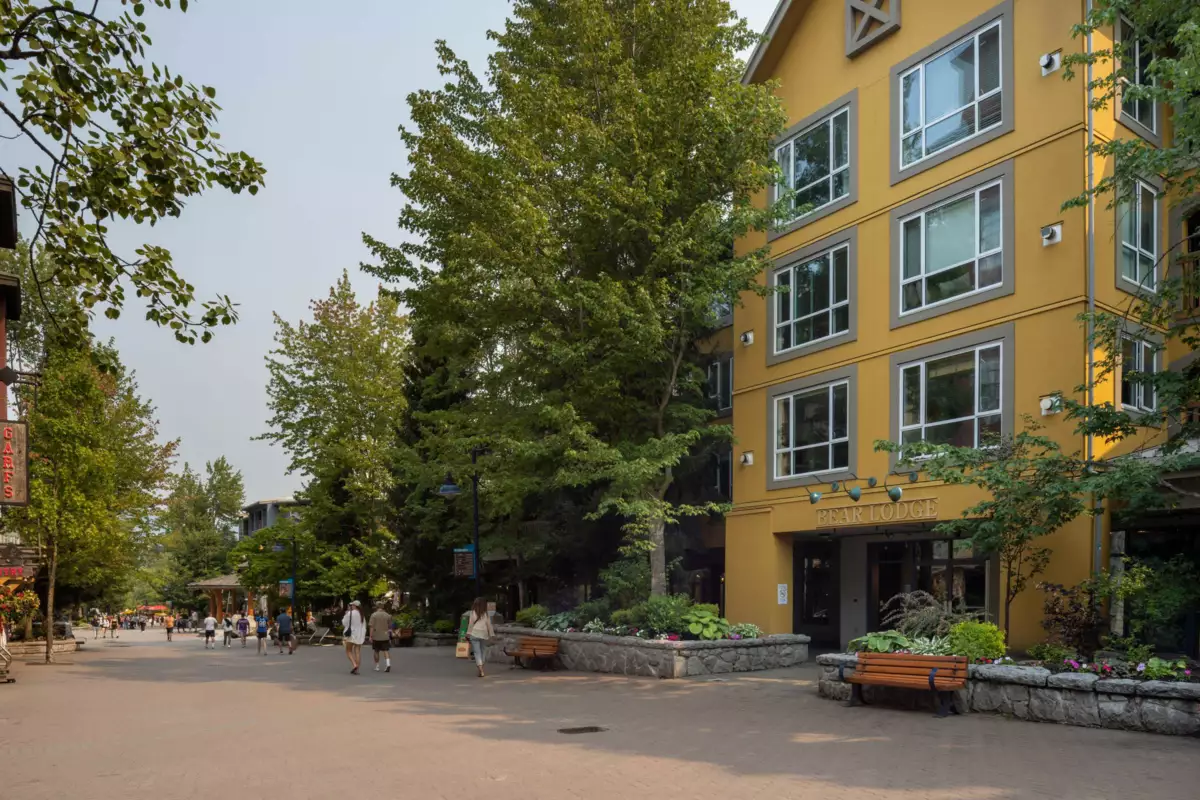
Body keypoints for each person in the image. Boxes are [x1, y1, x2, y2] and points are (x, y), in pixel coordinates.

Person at [466, 597, 495, 678]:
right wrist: (491, 634)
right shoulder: (485, 614)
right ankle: (481, 666)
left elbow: (470, 624)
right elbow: (489, 625)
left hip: (474, 634)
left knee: (477, 652)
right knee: (483, 651)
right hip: (483, 634)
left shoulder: (472, 613)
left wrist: (468, 633)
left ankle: (480, 669)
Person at [341, 600, 366, 675]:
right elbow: (364, 626)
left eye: (352, 605)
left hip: (351, 634)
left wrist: (345, 614)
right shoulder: (362, 614)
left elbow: (344, 623)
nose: (351, 606)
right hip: (359, 634)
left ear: (354, 606)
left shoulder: (350, 613)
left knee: (348, 650)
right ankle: (357, 669)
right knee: (357, 651)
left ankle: (354, 665)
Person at [368, 602, 392, 673]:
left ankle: (377, 666)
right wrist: (389, 635)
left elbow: (371, 626)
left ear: (376, 607)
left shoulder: (374, 615)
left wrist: (370, 636)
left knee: (376, 650)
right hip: (385, 635)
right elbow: (390, 626)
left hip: (376, 636)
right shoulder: (387, 615)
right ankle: (388, 664)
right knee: (386, 650)